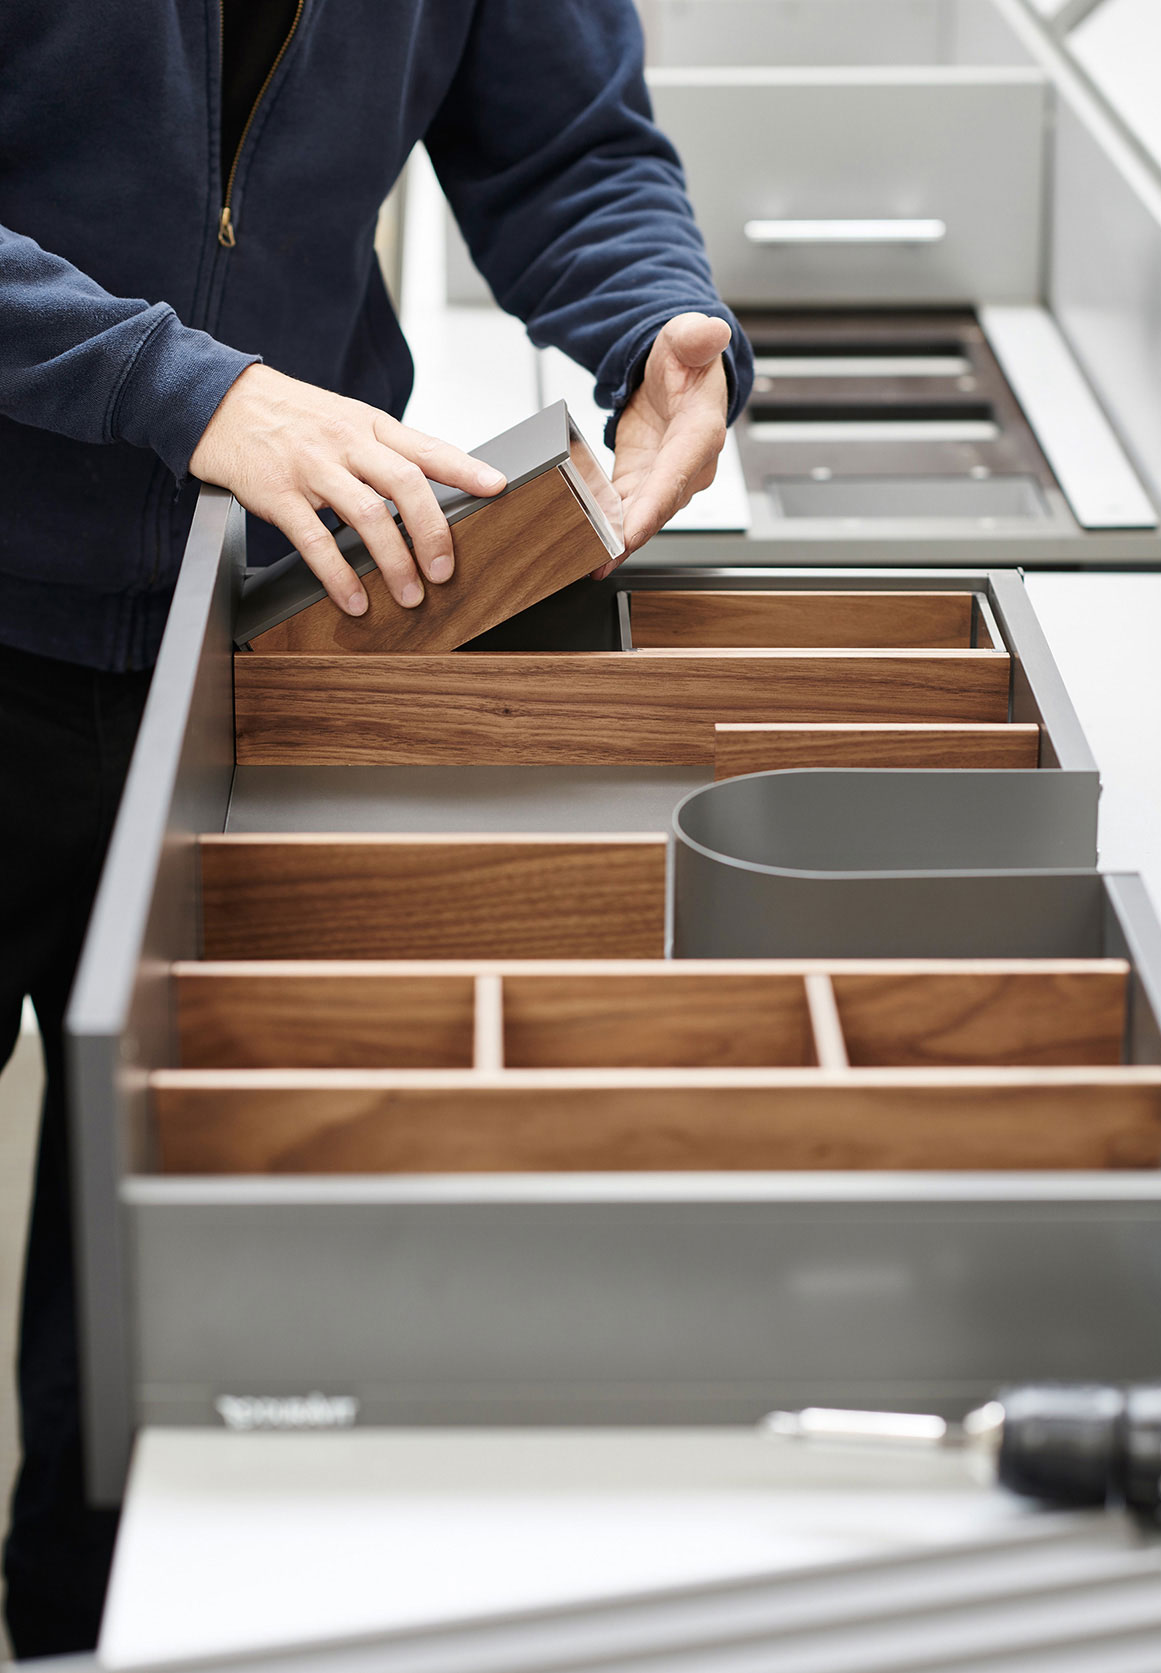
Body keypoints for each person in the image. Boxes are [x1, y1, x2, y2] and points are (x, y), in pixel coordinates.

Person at [0, 0, 752, 1653]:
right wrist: (177, 387)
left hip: (253, 638)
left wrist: (656, 317)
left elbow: (567, 141)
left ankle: (75, 1623)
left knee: (146, 1242)